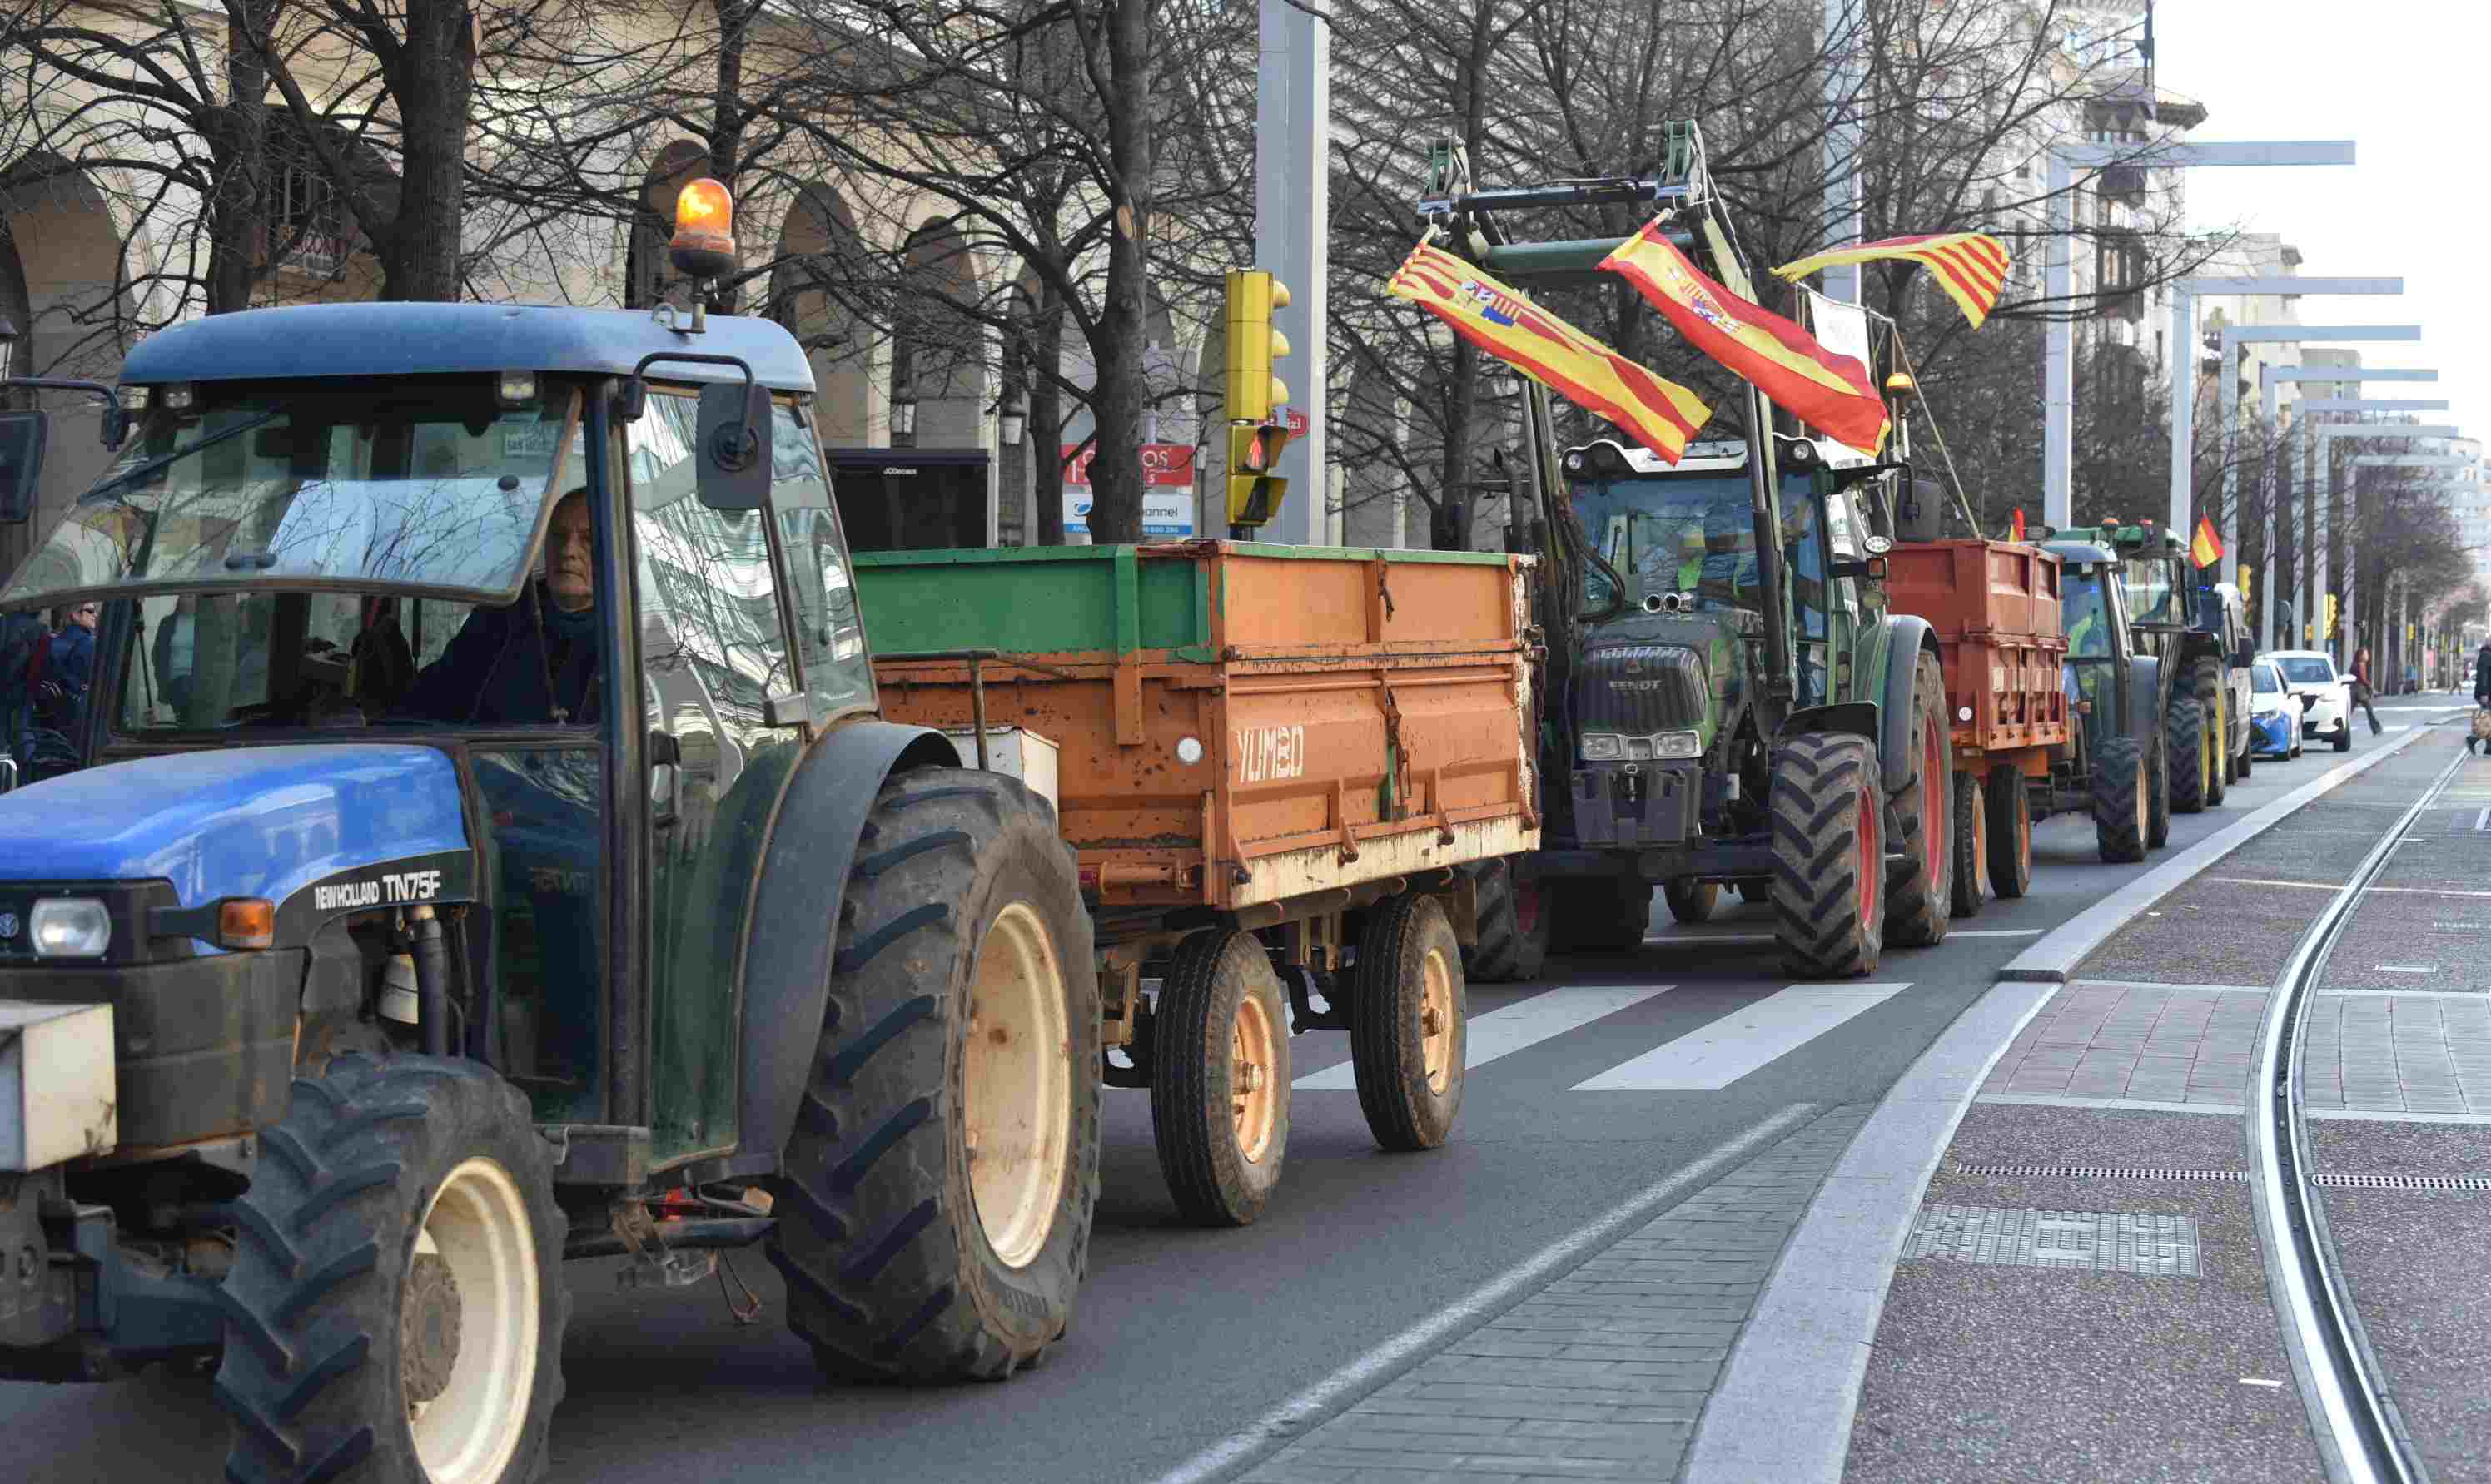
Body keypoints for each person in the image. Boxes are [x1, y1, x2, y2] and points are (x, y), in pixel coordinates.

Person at [400, 489, 602, 726]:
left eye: (587, 540)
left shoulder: (627, 635)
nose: (568, 551)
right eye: (558, 535)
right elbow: (433, 700)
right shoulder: (499, 619)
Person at [2349, 647, 2382, 737]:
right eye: (2366, 654)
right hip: (2358, 691)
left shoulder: (2359, 664)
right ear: (2361, 656)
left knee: (2352, 711)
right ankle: (2377, 729)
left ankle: (2377, 729)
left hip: (2357, 690)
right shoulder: (2359, 665)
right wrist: (2371, 688)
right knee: (2368, 710)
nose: (2368, 656)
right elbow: (2362, 679)